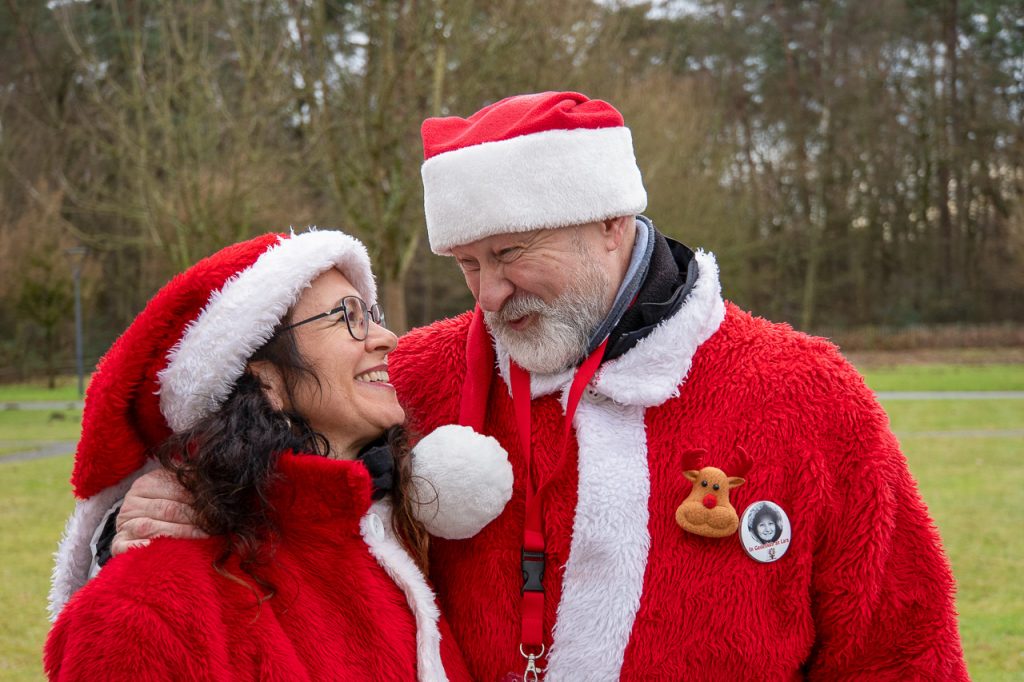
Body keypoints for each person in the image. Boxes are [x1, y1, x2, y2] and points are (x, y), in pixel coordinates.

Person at [55, 93, 969, 681]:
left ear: (611, 223)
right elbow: (281, 481)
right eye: (466, 264)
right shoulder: (411, 377)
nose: (486, 295)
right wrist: (173, 495)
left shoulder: (809, 396)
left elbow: (905, 651)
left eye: (510, 255)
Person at [45, 230, 511, 681]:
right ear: (266, 381)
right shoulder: (143, 613)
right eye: (346, 317)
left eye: (372, 313)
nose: (386, 337)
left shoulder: (384, 544)